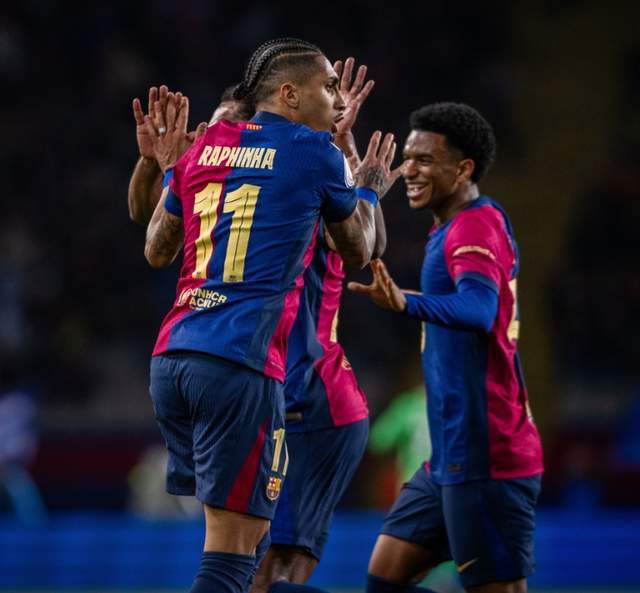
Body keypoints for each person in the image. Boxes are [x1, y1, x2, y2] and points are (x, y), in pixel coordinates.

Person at [140, 37, 398, 593]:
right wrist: (370, 189)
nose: (337, 99)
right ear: (289, 94)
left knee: (242, 549)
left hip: (173, 357)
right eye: (328, 87)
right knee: (235, 562)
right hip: (239, 365)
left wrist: (166, 169)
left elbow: (157, 248)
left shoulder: (206, 144)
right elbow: (359, 249)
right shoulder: (312, 152)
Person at [349, 102, 543, 593]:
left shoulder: (473, 227)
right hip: (449, 455)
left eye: (425, 160)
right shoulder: (463, 222)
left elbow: (479, 309)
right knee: (384, 579)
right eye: (407, 158)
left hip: (486, 455)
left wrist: (407, 302)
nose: (409, 171)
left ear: (463, 169)